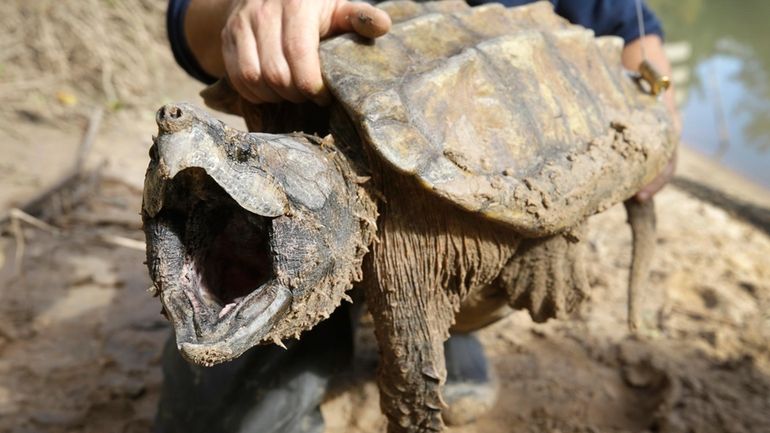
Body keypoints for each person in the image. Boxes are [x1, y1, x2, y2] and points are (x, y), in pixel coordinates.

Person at [156, 1, 679, 432]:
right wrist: (243, 11)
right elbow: (187, 22)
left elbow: (638, 47)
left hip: (462, 221)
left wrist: (659, 116)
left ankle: (457, 322)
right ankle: (285, 293)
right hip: (314, 98)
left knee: (419, 309)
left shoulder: (405, 263)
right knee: (208, 418)